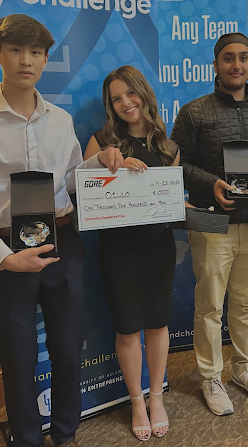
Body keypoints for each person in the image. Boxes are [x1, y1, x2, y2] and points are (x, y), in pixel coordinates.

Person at [0, 14, 124, 447]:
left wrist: (100, 164)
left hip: (63, 241)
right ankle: (25, 438)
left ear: (45, 59)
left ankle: (65, 434)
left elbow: (68, 182)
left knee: (67, 349)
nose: (27, 61)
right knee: (18, 355)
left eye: (36, 52)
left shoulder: (59, 121)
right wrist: (3, 257)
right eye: (17, 50)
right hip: (6, 248)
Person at [170, 33, 248, 416]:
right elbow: (179, 164)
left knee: (246, 301)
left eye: (243, 58)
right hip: (212, 223)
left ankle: (245, 368)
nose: (236, 65)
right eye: (227, 58)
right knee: (209, 305)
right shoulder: (194, 112)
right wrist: (212, 184)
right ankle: (210, 375)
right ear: (216, 64)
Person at [83, 66, 179, 441]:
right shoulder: (101, 142)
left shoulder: (167, 146)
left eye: (129, 94)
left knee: (157, 323)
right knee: (127, 328)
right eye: (116, 98)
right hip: (118, 249)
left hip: (158, 246)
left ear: (144, 93)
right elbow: (85, 195)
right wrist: (117, 170)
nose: (125, 103)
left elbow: (172, 202)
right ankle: (136, 401)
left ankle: (157, 397)